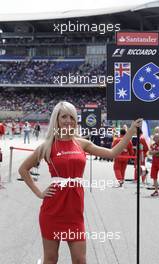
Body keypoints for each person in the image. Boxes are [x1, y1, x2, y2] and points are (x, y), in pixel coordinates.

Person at [18, 101, 142, 264]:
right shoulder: (48, 146)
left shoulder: (82, 143)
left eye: (72, 117)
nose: (68, 120)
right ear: (56, 119)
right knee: (50, 259)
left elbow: (112, 153)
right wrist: (39, 192)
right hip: (52, 211)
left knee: (80, 260)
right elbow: (23, 169)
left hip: (75, 211)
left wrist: (131, 131)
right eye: (64, 117)